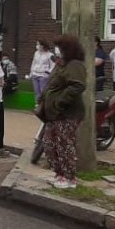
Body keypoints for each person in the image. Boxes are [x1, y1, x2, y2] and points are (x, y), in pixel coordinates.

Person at [38, 35, 87, 190]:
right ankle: (59, 174)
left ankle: (69, 177)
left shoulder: (75, 65)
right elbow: (52, 84)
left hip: (67, 113)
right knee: (49, 143)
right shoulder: (61, 64)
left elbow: (77, 86)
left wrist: (60, 102)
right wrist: (43, 99)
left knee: (64, 144)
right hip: (53, 114)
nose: (56, 50)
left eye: (59, 47)